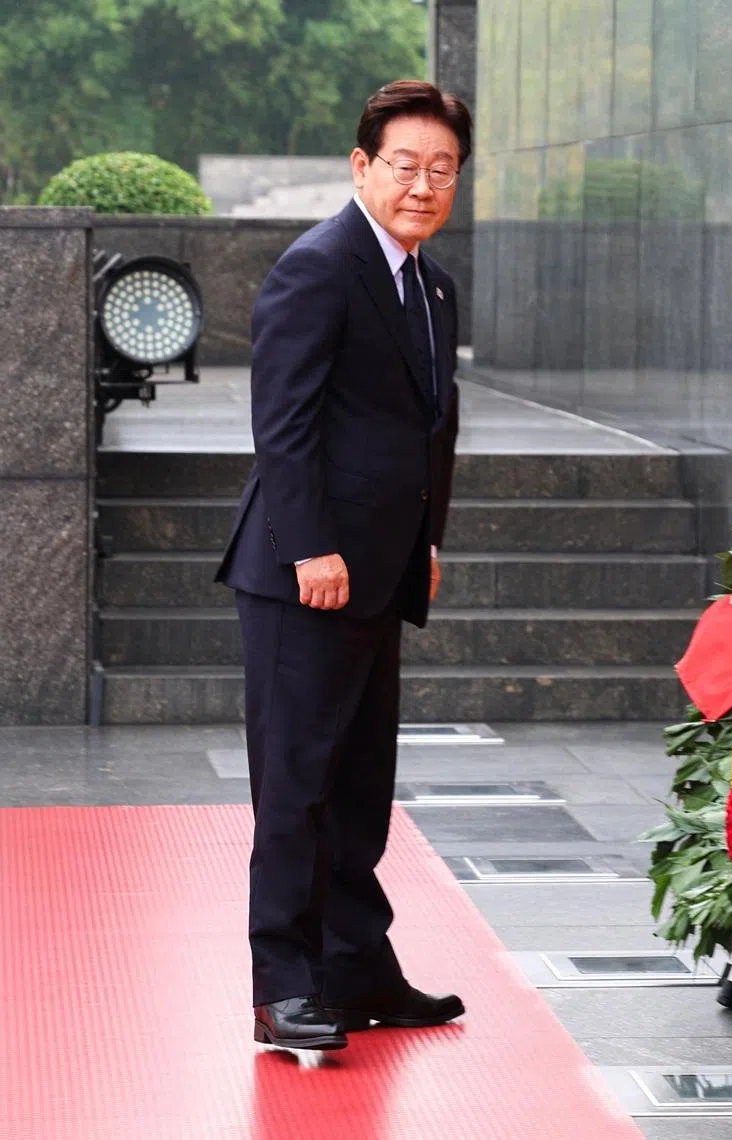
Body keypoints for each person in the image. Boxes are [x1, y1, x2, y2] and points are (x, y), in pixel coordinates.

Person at [216, 80, 470, 1051]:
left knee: (362, 779)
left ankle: (358, 967)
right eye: (404, 164)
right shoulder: (318, 267)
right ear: (362, 166)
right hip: (303, 573)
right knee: (294, 783)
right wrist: (309, 542)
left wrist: (429, 538)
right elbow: (281, 422)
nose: (422, 183)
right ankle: (282, 986)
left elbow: (429, 428)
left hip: (383, 566)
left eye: (441, 168)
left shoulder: (430, 282)